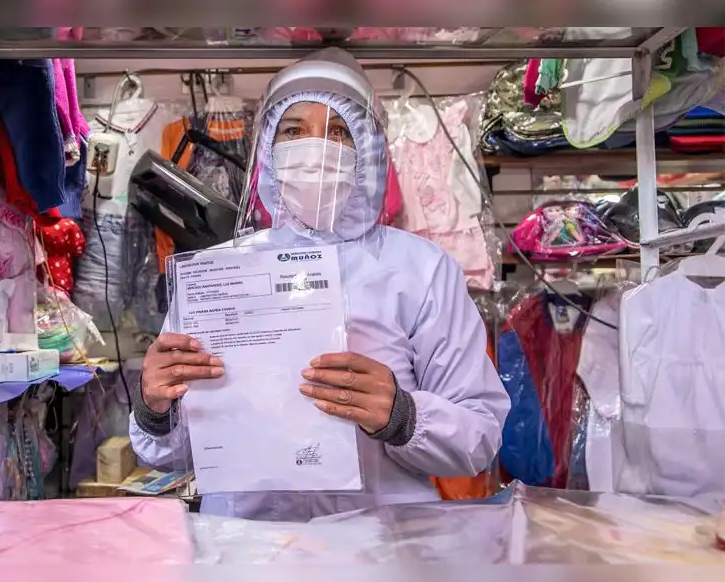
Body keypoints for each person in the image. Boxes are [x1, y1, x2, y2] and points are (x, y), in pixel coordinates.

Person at [128, 47, 510, 521]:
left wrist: (402, 415)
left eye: (338, 132)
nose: (313, 149)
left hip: (382, 549)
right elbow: (169, 453)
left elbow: (479, 438)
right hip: (247, 549)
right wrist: (154, 405)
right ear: (268, 148)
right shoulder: (220, 275)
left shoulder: (421, 269)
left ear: (368, 150)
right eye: (293, 131)